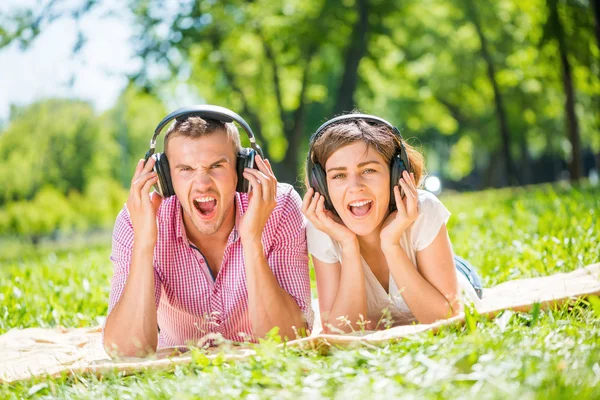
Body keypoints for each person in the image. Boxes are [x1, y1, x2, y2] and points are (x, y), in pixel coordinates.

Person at [103, 105, 313, 357]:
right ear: (165, 178)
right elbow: (124, 351)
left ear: (241, 171)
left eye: (216, 166)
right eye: (186, 169)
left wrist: (252, 240)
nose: (202, 184)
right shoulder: (137, 220)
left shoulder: (279, 206)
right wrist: (145, 244)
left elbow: (289, 340)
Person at [302, 113, 482, 333]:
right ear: (321, 185)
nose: (355, 186)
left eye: (368, 170)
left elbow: (446, 320)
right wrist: (348, 245)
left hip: (457, 274)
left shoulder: (422, 209)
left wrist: (391, 244)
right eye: (339, 176)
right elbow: (340, 334)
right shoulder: (323, 227)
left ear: (396, 174)